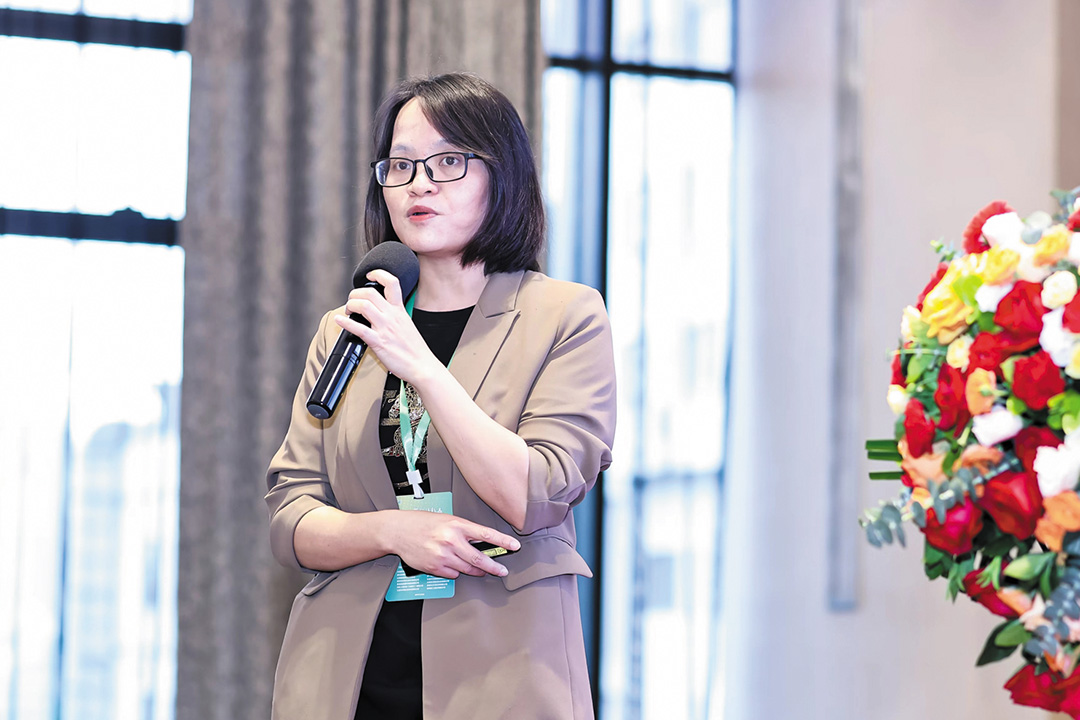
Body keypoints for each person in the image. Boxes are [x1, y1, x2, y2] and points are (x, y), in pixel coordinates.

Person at [264, 72, 616, 720]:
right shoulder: (345, 330)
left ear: (501, 175)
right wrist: (392, 531)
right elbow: (292, 517)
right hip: (345, 679)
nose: (419, 184)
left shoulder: (566, 316)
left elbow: (536, 494)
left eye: (448, 161)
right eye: (400, 166)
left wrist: (422, 366)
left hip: (502, 676)